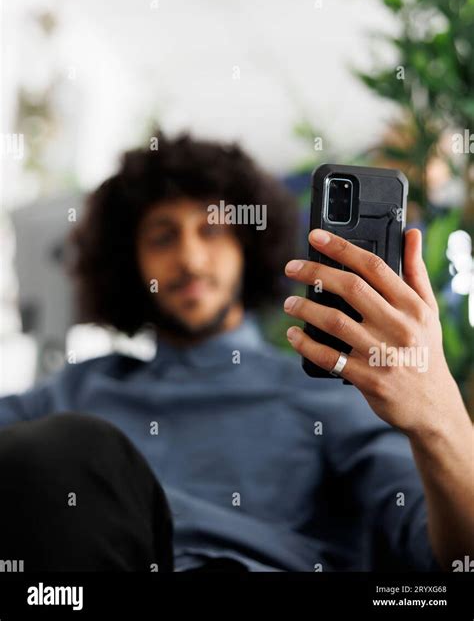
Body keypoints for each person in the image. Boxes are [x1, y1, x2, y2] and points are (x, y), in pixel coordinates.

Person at [0, 132, 472, 573]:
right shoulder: (79, 388)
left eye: (211, 231)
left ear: (248, 246)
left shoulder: (333, 393)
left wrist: (440, 416)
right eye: (163, 237)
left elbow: (451, 558)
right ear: (129, 263)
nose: (190, 258)